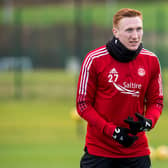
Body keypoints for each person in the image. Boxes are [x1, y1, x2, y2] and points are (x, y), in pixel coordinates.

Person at [76, 8, 164, 168]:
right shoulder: (94, 59)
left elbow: (156, 101)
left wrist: (148, 122)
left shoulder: (151, 60)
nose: (135, 36)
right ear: (115, 32)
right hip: (99, 152)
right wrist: (113, 131)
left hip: (137, 152)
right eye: (129, 30)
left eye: (139, 29)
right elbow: (83, 105)